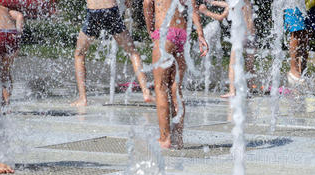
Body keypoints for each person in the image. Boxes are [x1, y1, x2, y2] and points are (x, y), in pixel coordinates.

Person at [143, 0, 208, 149]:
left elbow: (147, 3)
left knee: (160, 87)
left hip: (164, 33)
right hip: (182, 34)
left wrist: (150, 29)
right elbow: (193, 8)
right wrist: (200, 35)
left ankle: (164, 138)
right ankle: (178, 138)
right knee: (175, 88)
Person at [71, 0, 154, 106]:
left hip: (93, 12)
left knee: (79, 54)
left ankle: (83, 98)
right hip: (111, 10)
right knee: (133, 52)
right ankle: (146, 92)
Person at [199, 0, 256, 98]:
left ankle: (232, 91)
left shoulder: (233, 3)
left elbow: (221, 17)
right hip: (252, 36)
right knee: (249, 65)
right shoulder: (246, 2)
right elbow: (227, 4)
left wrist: (206, 12)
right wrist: (214, 2)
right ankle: (250, 89)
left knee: (232, 64)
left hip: (240, 35)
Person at [285, 1, 315, 85]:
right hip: (295, 2)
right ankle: (293, 70)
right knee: (297, 31)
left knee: (308, 34)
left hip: (312, 2)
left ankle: (302, 70)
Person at [0, 4, 23, 106]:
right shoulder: (4, 7)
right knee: (5, 71)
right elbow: (19, 16)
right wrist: (18, 34)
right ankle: (6, 103)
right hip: (10, 34)